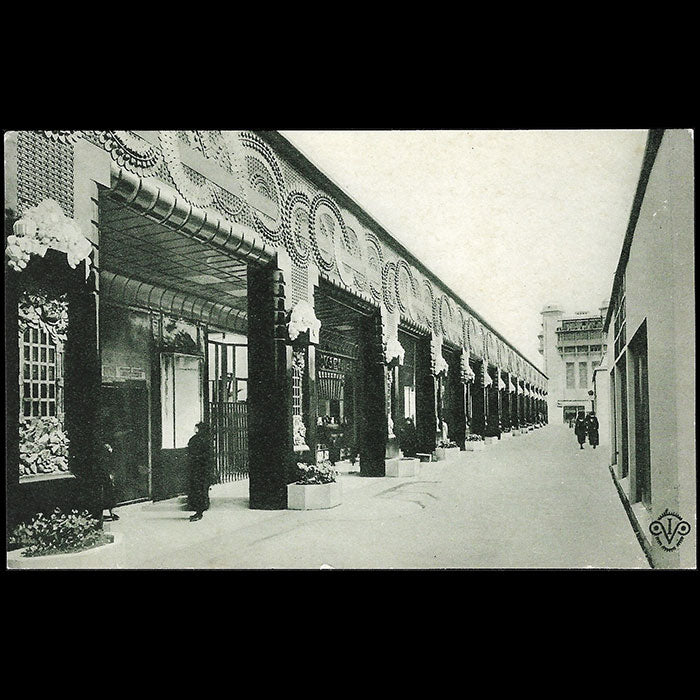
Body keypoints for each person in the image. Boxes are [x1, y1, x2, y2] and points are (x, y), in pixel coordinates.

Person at [187, 422, 214, 522]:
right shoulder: (207, 440)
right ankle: (200, 511)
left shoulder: (197, 439)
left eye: (197, 428)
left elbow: (191, 452)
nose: (195, 429)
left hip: (197, 469)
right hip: (203, 469)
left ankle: (199, 512)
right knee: (201, 490)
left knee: (198, 490)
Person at [99, 442, 119, 521]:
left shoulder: (107, 458)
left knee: (109, 495)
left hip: (106, 477)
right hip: (105, 477)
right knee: (107, 495)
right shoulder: (104, 459)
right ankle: (110, 513)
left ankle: (111, 513)